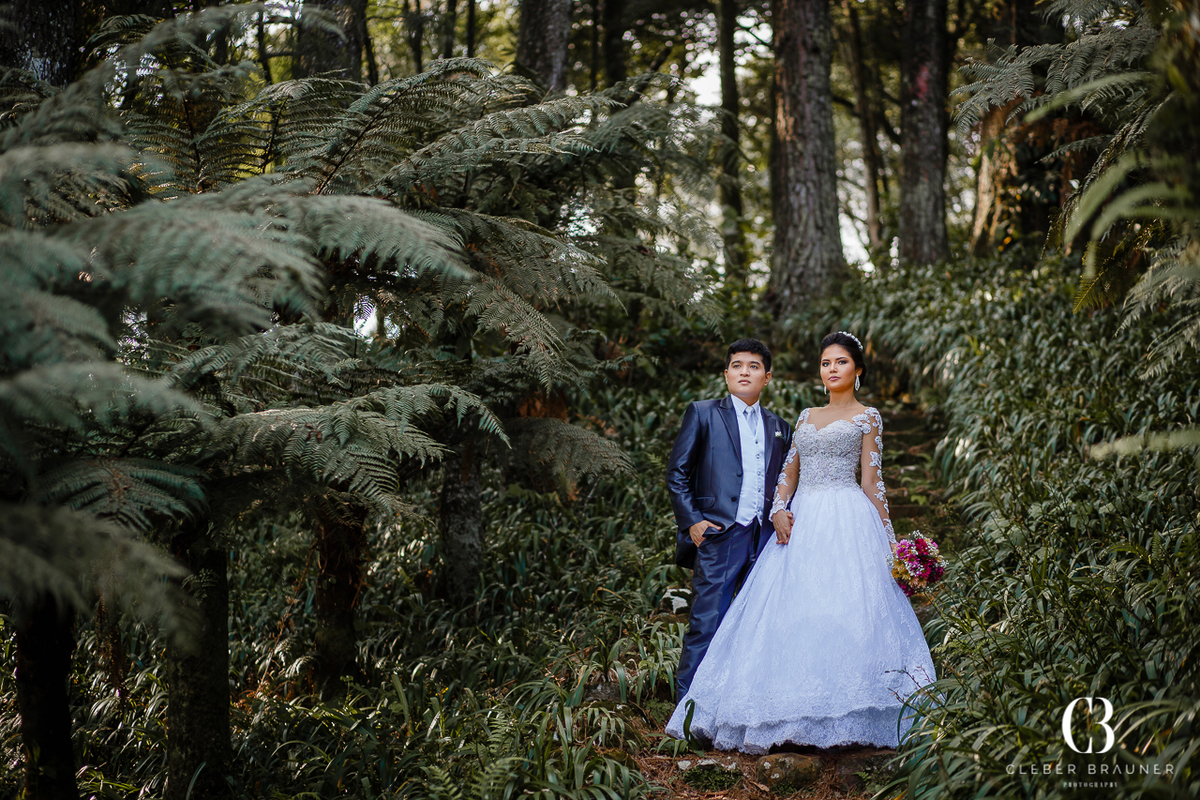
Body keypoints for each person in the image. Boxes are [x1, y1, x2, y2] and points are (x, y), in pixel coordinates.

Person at [665, 331, 936, 753]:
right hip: (799, 521)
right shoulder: (806, 417)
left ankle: (847, 709)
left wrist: (890, 541)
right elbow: (788, 473)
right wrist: (778, 508)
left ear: (858, 370)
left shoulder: (869, 417)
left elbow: (871, 481)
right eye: (826, 362)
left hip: (848, 518)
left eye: (841, 362)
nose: (832, 368)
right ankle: (706, 707)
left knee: (844, 609)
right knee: (775, 613)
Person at [665, 338, 794, 699]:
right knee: (707, 623)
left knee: (757, 625)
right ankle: (687, 713)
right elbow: (677, 472)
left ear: (766, 377)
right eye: (737, 365)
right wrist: (693, 521)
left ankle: (742, 706)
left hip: (765, 539)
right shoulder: (703, 413)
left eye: (753, 366)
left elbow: (786, 481)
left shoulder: (779, 426)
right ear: (726, 374)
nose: (744, 372)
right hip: (720, 533)